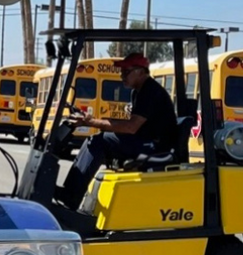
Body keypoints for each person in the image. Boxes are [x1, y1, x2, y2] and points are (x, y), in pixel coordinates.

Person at [55, 53, 179, 210]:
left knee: (98, 141)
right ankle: (70, 192)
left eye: (126, 72)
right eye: (122, 72)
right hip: (145, 141)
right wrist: (92, 121)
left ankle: (70, 197)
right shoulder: (138, 92)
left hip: (155, 147)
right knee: (94, 140)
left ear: (141, 72)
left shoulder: (150, 91)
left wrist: (93, 122)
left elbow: (131, 127)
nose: (122, 76)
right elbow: (129, 124)